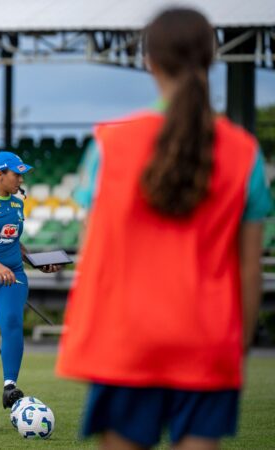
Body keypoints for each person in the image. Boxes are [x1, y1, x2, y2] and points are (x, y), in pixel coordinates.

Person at [56, 8, 272, 450]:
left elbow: (94, 252)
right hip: (206, 336)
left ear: (148, 60)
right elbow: (250, 271)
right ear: (210, 59)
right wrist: (237, 349)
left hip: (129, 337)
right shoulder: (244, 152)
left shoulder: (109, 145)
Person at [0, 151, 61, 408]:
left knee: (12, 322)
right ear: (0, 175)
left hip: (13, 276)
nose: (21, 179)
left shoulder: (17, 204)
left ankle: (9, 386)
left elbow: (15, 242)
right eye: (17, 174)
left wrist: (36, 262)